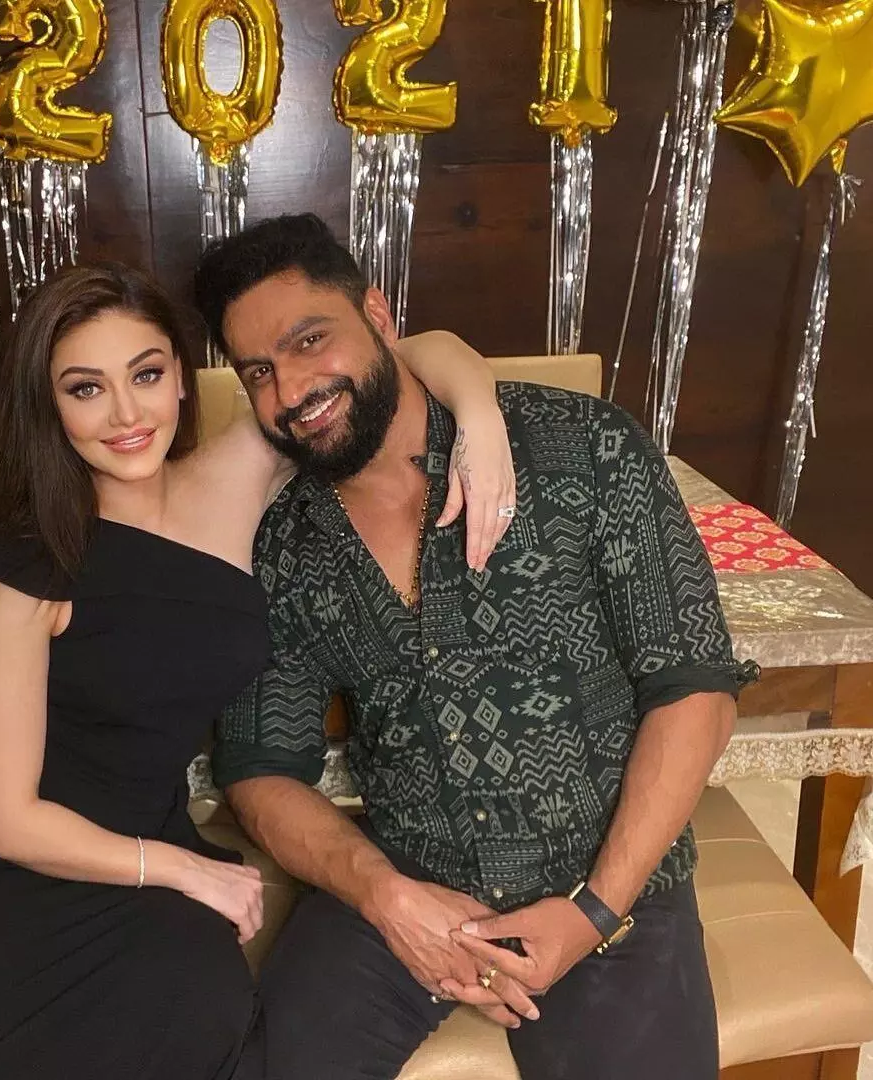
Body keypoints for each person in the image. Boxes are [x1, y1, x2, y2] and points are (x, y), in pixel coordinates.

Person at [0, 260, 515, 1080]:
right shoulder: (29, 566)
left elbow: (397, 354)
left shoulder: (239, 469)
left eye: (146, 375)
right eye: (86, 389)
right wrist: (187, 873)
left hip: (139, 868)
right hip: (26, 872)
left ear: (183, 380)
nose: (126, 414)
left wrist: (480, 416)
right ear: (48, 405)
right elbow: (3, 824)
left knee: (206, 1033)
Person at [192, 213, 759, 1080]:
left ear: (378, 316)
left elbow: (695, 689)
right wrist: (386, 896)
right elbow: (260, 765)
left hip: (608, 883)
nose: (292, 387)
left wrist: (594, 911)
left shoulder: (584, 447)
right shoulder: (279, 541)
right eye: (259, 371)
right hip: (406, 881)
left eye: (310, 339)